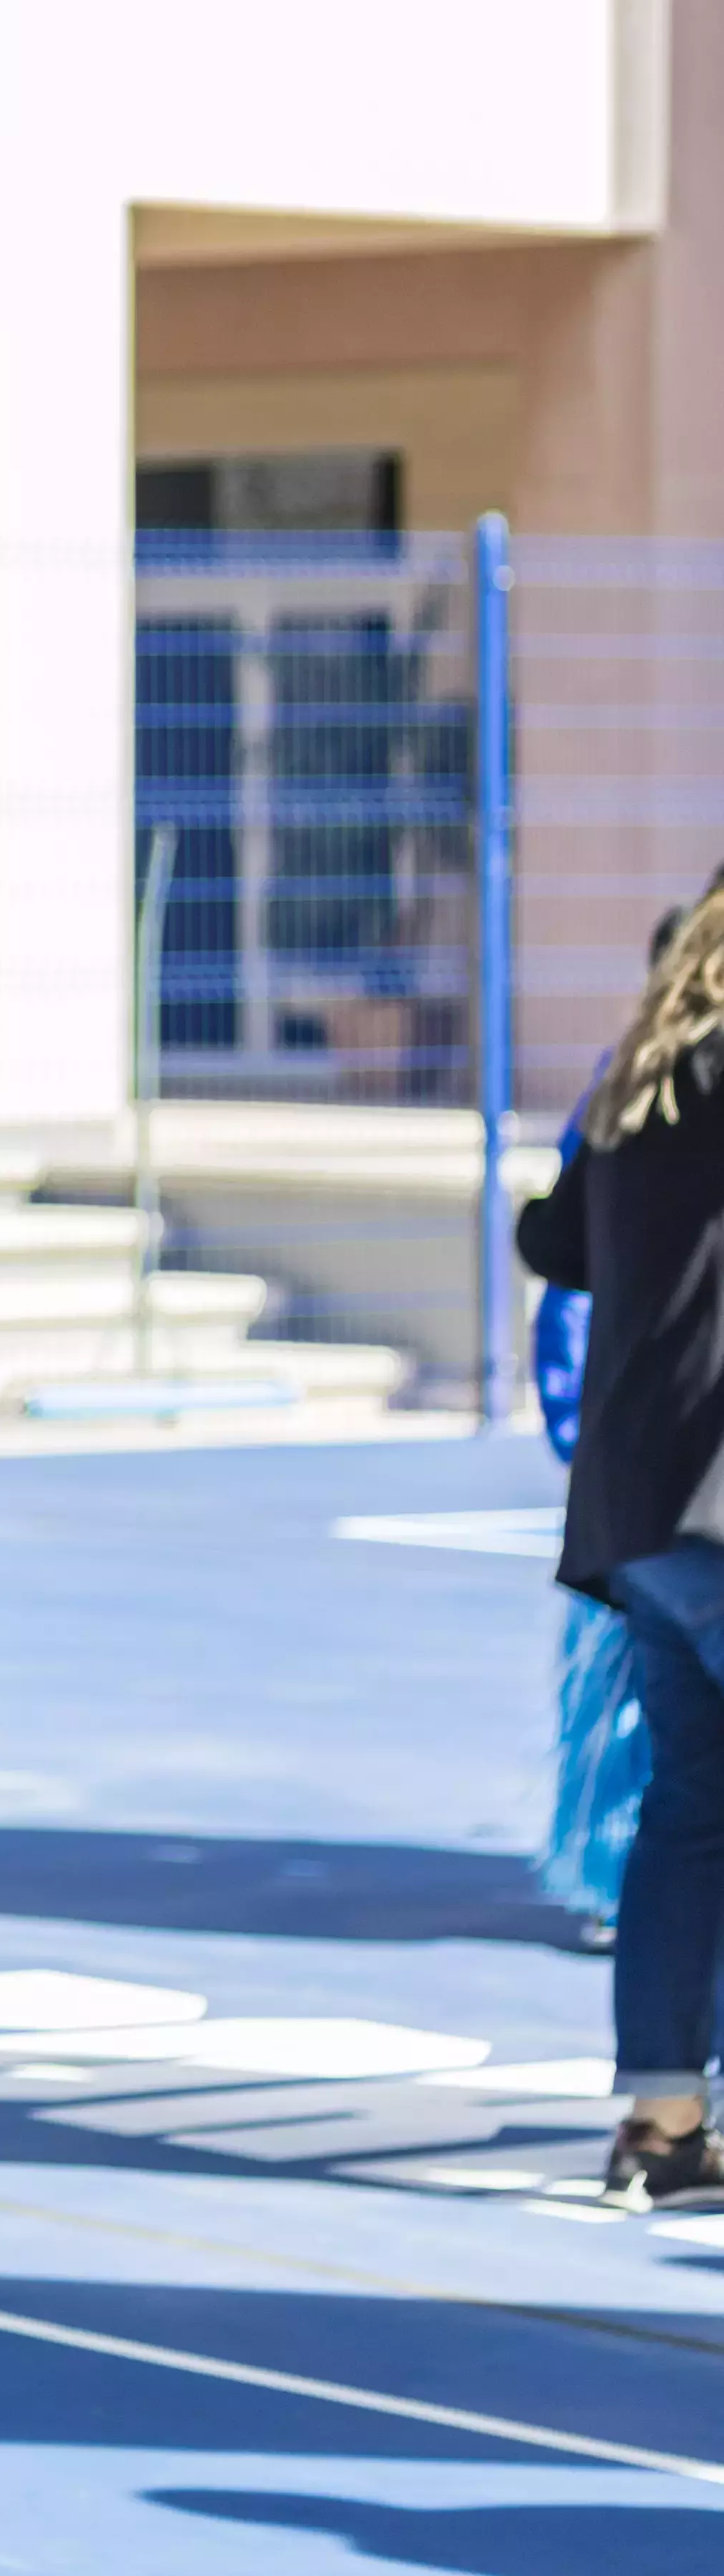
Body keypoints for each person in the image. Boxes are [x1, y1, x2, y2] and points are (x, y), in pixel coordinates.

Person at [519, 881, 724, 2200]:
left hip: (642, 1517)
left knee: (688, 1817)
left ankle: (660, 2125)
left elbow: (550, 1239)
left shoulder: (638, 1084)